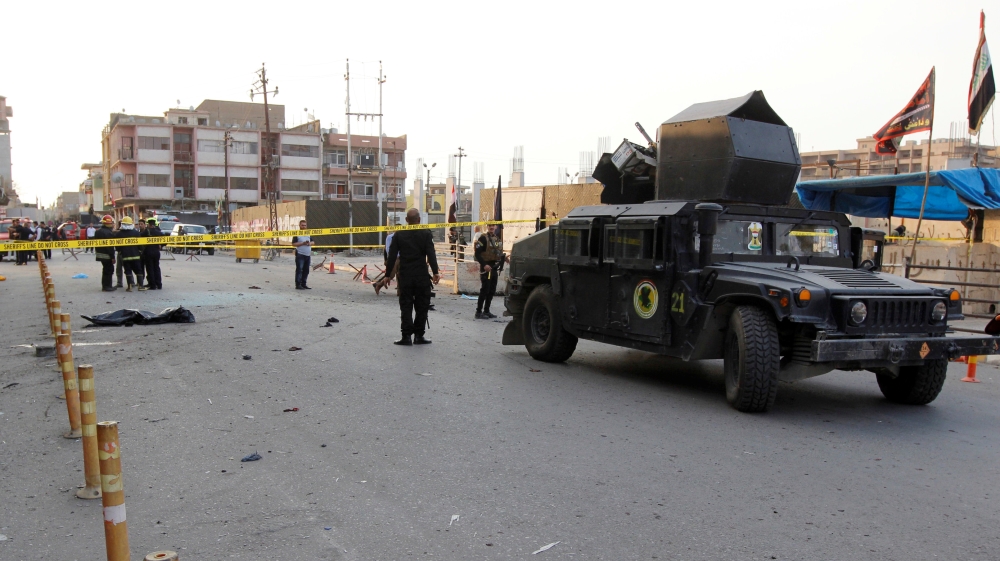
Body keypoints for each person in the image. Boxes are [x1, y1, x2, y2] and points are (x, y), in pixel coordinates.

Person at [385, 208, 440, 346]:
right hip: (421, 275)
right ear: (419, 220)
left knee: (406, 305)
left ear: (406, 221)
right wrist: (435, 272)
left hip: (405, 275)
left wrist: (387, 275)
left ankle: (406, 336)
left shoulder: (399, 235)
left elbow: (391, 256)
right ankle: (419, 336)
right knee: (422, 306)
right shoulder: (426, 234)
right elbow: (431, 254)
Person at [474, 224, 505, 319]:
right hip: (486, 267)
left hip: (494, 267)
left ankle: (486, 310)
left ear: (495, 227)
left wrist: (504, 259)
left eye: (493, 226)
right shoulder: (483, 238)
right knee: (485, 289)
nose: (492, 227)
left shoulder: (496, 238)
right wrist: (484, 265)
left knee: (492, 290)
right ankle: (478, 312)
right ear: (487, 227)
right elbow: (477, 254)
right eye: (490, 226)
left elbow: (498, 252)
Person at [116, 217, 146, 291]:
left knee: (128, 270)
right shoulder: (136, 233)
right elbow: (140, 244)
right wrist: (140, 251)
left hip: (125, 256)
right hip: (135, 255)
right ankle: (141, 286)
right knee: (139, 270)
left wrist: (120, 251)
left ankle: (130, 286)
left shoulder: (119, 234)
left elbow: (117, 246)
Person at [93, 215, 117, 291]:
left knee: (105, 270)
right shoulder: (108, 233)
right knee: (109, 270)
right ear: (108, 224)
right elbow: (110, 247)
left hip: (100, 254)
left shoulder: (98, 231)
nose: (113, 225)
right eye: (112, 223)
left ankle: (106, 285)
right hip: (107, 255)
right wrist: (112, 257)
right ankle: (107, 286)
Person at [142, 218, 164, 290]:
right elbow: (165, 240)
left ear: (149, 224)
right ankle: (159, 284)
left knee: (150, 268)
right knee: (157, 268)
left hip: (148, 252)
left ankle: (152, 285)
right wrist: (161, 245)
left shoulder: (146, 231)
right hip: (156, 252)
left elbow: (139, 238)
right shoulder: (158, 232)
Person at [291, 219, 313, 289]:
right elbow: (293, 244)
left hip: (308, 255)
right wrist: (302, 243)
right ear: (299, 225)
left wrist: (309, 243)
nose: (304, 227)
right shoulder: (297, 233)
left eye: (305, 225)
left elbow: (313, 242)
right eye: (302, 225)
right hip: (300, 254)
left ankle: (304, 283)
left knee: (306, 270)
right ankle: (298, 284)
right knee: (299, 269)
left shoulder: (308, 233)